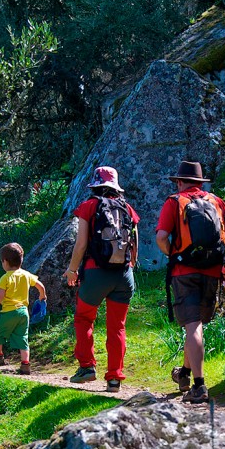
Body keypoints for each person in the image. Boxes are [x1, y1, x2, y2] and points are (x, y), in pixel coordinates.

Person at [155, 160, 225, 403]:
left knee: (192, 326)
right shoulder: (217, 202)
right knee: (196, 325)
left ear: (180, 182)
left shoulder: (174, 202)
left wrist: (174, 253)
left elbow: (161, 237)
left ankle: (199, 386)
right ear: (200, 182)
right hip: (212, 272)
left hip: (185, 272)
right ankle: (184, 373)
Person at [63, 166, 140, 393]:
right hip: (124, 275)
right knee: (117, 327)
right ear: (115, 186)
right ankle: (115, 378)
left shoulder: (89, 206)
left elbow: (81, 244)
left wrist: (72, 270)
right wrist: (129, 268)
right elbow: (134, 245)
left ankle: (87, 367)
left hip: (96, 273)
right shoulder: (128, 208)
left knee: (84, 318)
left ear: (95, 185)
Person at [0, 242, 46, 375]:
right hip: (23, 313)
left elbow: (0, 296)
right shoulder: (26, 275)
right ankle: (25, 365)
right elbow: (40, 286)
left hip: (8, 312)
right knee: (22, 337)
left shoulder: (6, 277)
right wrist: (42, 297)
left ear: (5, 262)